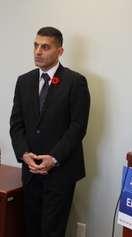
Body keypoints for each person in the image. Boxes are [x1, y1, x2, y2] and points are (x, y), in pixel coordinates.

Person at [10, 26, 90, 237]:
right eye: (36, 45)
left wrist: (53, 158)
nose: (38, 51)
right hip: (31, 170)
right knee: (32, 228)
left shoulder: (75, 82)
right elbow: (16, 124)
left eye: (45, 47)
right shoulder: (24, 81)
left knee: (52, 231)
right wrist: (24, 154)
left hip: (60, 172)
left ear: (60, 51)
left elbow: (78, 127)